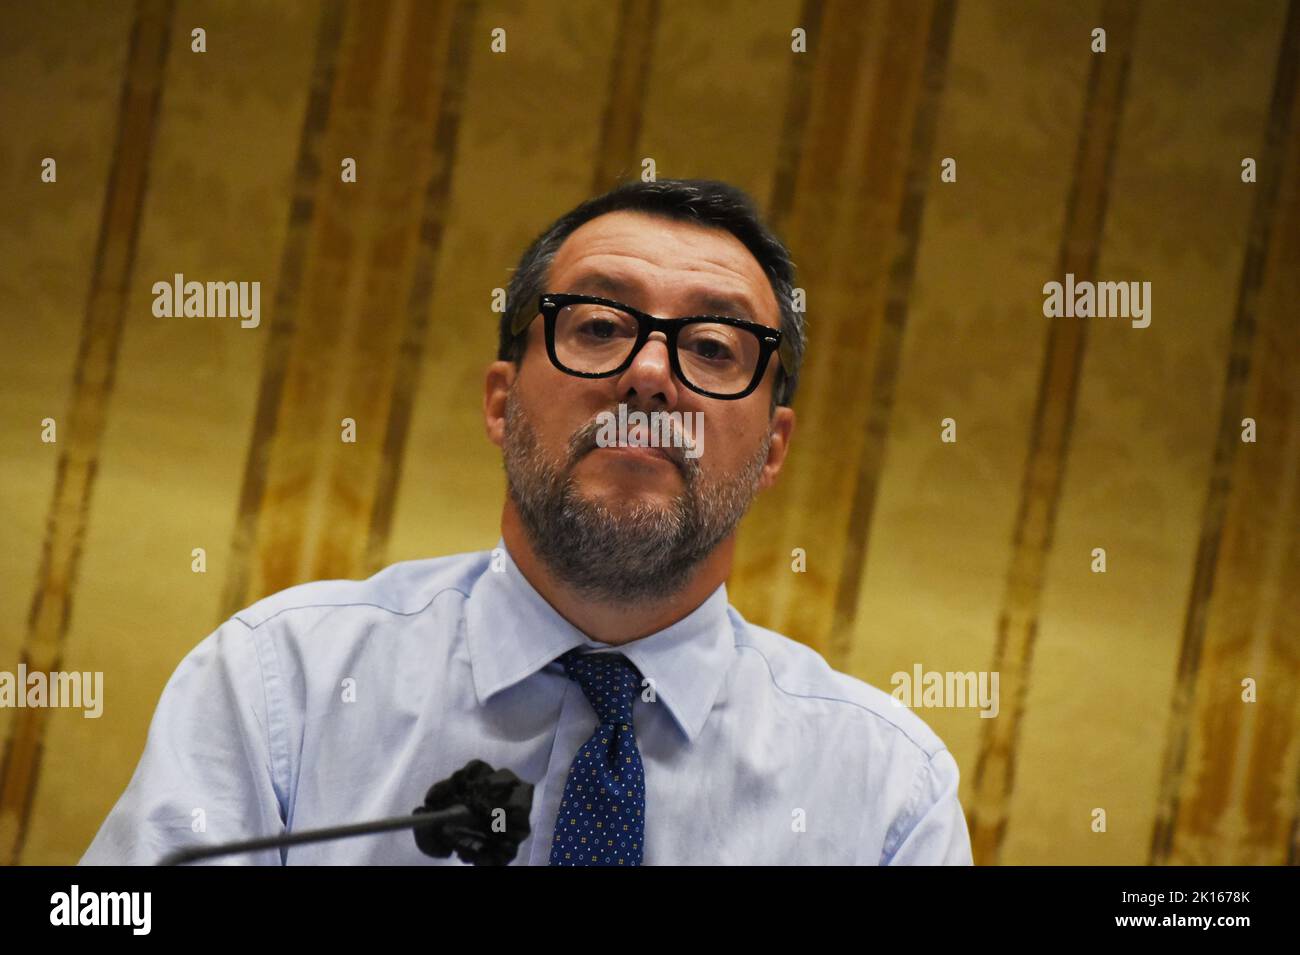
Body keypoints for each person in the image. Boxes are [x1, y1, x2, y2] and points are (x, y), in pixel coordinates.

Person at [81, 178, 973, 865]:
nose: (652, 374)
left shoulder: (886, 790)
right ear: (503, 402)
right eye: (596, 325)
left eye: (711, 347)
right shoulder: (284, 685)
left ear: (773, 448)